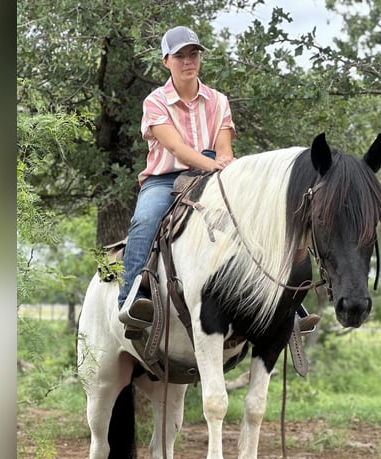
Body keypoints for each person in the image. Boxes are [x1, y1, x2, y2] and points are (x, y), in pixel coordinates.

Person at [118, 25, 319, 335]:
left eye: (194, 55)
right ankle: (133, 296)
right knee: (145, 219)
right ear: (165, 62)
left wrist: (224, 165)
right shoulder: (155, 102)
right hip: (165, 178)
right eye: (180, 56)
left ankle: (284, 301)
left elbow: (225, 147)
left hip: (213, 173)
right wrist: (215, 164)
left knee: (257, 218)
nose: (188, 62)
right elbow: (175, 147)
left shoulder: (217, 100)